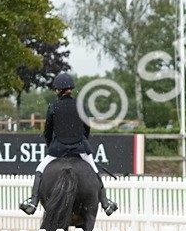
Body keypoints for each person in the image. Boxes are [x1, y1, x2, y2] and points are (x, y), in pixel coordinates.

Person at [19, 73, 118, 215]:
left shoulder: (53, 107)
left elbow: (48, 131)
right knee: (95, 171)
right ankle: (106, 203)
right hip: (80, 147)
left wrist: (51, 146)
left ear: (59, 90)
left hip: (58, 149)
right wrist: (82, 140)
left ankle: (33, 202)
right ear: (70, 89)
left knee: (40, 170)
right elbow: (87, 128)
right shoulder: (80, 106)